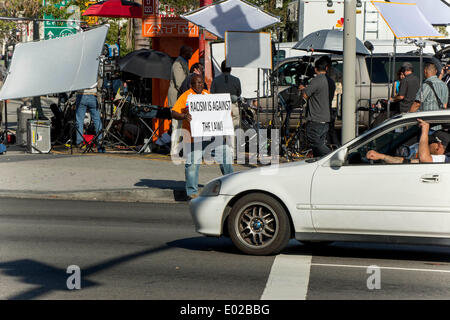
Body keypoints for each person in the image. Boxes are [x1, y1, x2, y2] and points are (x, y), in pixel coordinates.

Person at [171, 74, 234, 200]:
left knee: (226, 156)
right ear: (191, 85)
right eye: (197, 83)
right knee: (193, 165)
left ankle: (232, 186)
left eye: (202, 83)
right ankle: (191, 192)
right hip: (194, 138)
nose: (200, 85)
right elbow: (173, 112)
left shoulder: (206, 94)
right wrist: (184, 116)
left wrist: (226, 113)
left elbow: (216, 110)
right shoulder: (185, 96)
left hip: (212, 136)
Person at [299, 55, 336, 157]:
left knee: (313, 140)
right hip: (326, 118)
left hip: (316, 119)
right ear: (326, 68)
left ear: (315, 69)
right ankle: (320, 162)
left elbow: (305, 95)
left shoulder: (316, 80)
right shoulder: (331, 82)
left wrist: (303, 88)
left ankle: (331, 156)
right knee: (317, 147)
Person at [366, 119, 450, 164]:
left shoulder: (445, 160)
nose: (426, 145)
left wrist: (424, 132)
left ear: (439, 145)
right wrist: (381, 156)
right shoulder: (441, 161)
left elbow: (424, 159)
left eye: (430, 143)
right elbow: (405, 162)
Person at [210, 60, 242, 155]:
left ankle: (219, 151)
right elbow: (239, 93)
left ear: (221, 68)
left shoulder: (215, 80)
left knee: (219, 130)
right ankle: (231, 153)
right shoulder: (236, 80)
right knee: (231, 130)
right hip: (232, 105)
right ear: (230, 69)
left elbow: (212, 93)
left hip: (219, 106)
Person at [168, 45, 193, 157]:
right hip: (176, 99)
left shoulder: (184, 63)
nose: (191, 54)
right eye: (190, 51)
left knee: (180, 125)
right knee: (176, 125)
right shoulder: (178, 64)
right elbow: (180, 83)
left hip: (181, 99)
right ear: (184, 52)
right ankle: (174, 150)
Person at [75, 84, 103, 151]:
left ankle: (79, 142)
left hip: (81, 94)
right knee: (97, 120)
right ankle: (100, 141)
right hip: (92, 94)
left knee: (79, 120)